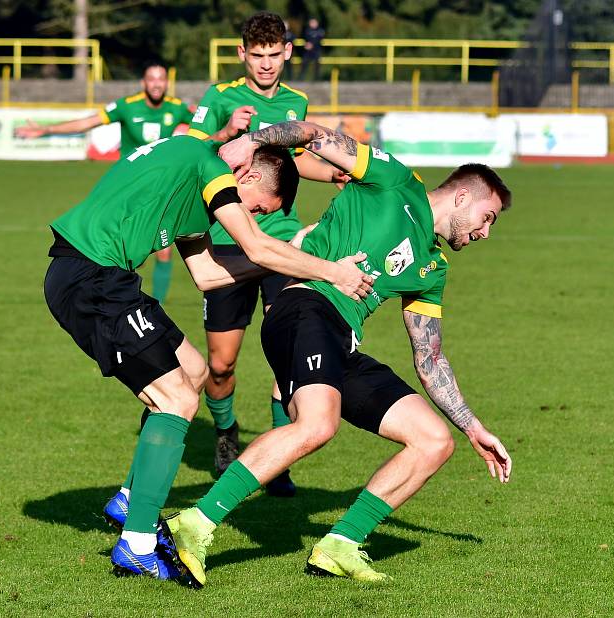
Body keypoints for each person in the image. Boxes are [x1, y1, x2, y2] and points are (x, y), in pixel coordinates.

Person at [162, 120, 513, 588]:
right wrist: (249, 142)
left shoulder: (434, 268)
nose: (486, 233)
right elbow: (312, 134)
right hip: (304, 304)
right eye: (488, 218)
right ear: (464, 197)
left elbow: (430, 360)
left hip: (342, 339)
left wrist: (472, 426)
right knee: (317, 424)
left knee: (433, 440)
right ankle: (194, 524)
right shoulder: (396, 180)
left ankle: (340, 544)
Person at [43, 133, 373, 581]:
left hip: (96, 277)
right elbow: (256, 246)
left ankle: (128, 498)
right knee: (177, 400)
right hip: (93, 280)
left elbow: (208, 273)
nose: (253, 216)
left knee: (194, 370)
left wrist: (294, 258)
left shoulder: (191, 182)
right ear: (250, 175)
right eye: (258, 208)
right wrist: (332, 271)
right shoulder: (209, 168)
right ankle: (137, 545)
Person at [186, 11, 346, 495]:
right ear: (242, 55)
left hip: (282, 243)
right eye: (257, 55)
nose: (266, 64)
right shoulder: (220, 98)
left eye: (274, 55)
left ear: (288, 52)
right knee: (220, 365)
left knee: (289, 352)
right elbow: (187, 157)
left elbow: (293, 165)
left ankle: (278, 456)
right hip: (232, 242)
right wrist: (224, 134)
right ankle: (226, 434)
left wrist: (335, 172)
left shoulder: (296, 102)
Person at [16, 62, 193, 304]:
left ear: (167, 83)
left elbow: (205, 128)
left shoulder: (178, 108)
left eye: (160, 78)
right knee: (127, 251)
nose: (156, 83)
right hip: (127, 189)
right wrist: (46, 130)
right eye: (151, 79)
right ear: (144, 83)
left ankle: (157, 305)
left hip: (159, 190)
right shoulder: (126, 106)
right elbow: (87, 123)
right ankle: (119, 297)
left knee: (164, 249)